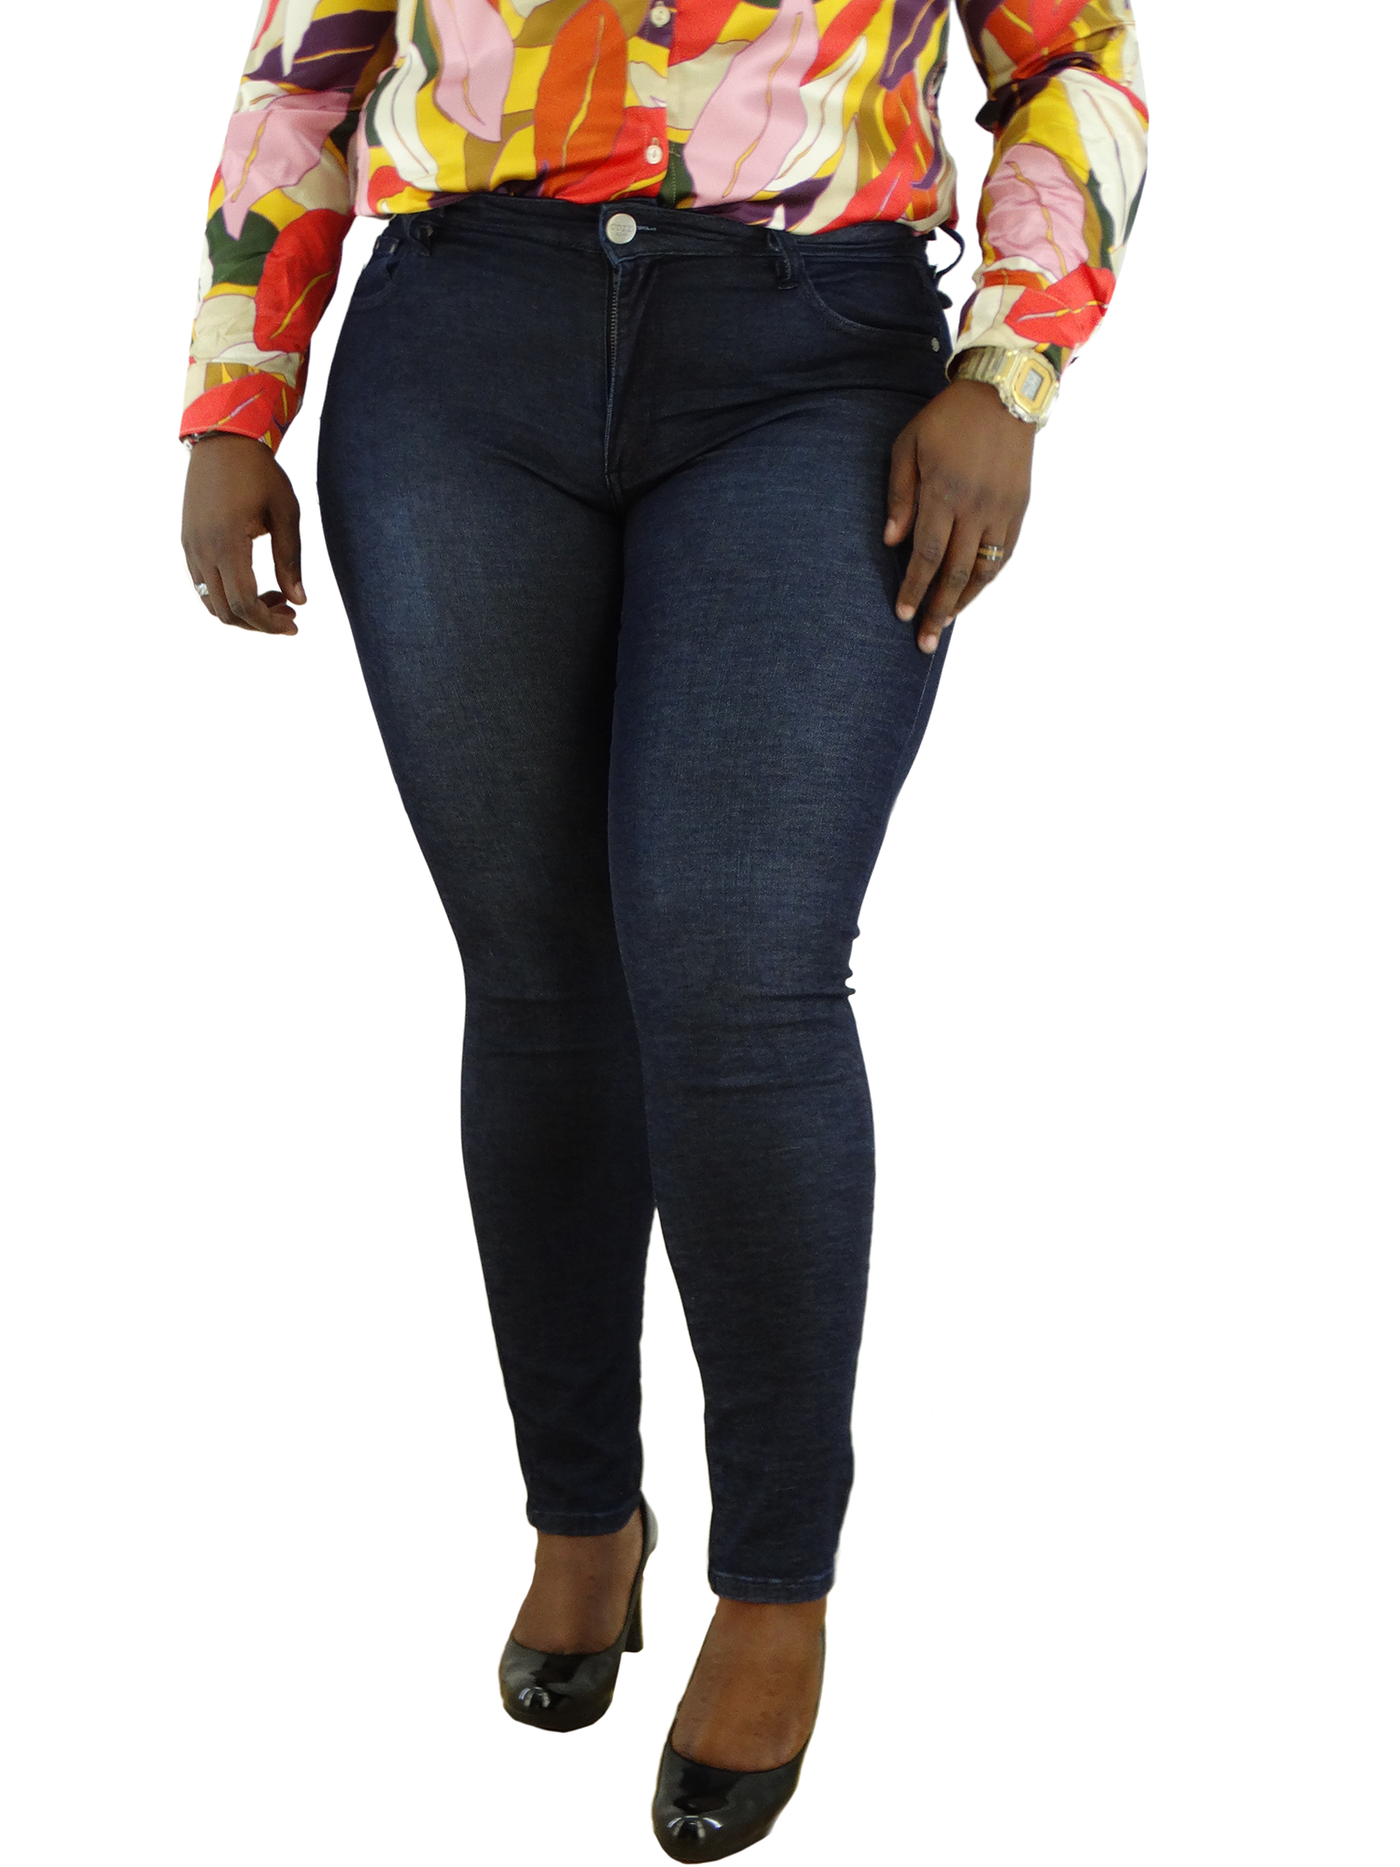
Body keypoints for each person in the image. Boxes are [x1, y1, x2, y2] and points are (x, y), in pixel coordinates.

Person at [179, 1, 1145, 1854]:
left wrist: (1010, 364)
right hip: (458, 352)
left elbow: (1072, 61)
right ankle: (582, 1512)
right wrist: (239, 392)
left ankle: (776, 1578)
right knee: (538, 978)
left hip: (814, 353)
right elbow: (311, 56)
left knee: (736, 974)